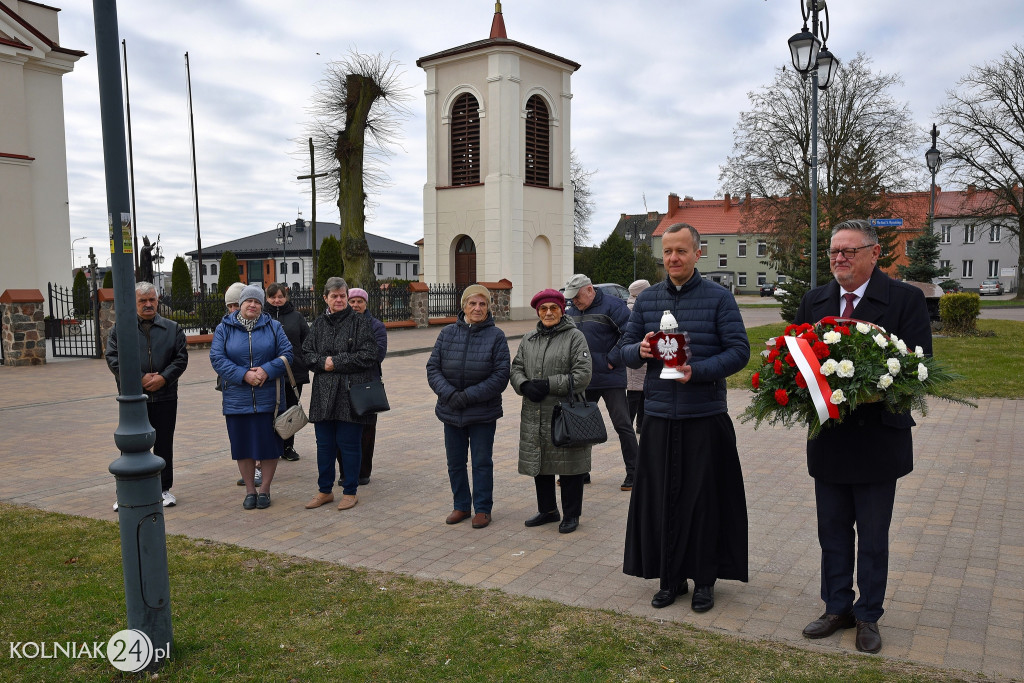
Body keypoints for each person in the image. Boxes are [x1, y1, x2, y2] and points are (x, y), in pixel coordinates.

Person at [794, 219, 932, 655]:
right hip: (830, 439)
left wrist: (870, 387)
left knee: (873, 535)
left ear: (875, 253)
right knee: (832, 531)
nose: (839, 258)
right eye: (835, 251)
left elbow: (919, 368)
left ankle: (869, 614)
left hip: (877, 440)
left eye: (849, 251)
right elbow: (796, 360)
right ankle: (837, 607)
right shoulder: (814, 300)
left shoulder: (904, 300)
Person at [620, 223, 750, 613]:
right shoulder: (647, 301)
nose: (673, 258)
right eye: (668, 252)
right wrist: (639, 351)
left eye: (681, 251)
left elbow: (739, 351)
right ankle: (669, 577)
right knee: (662, 502)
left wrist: (701, 371)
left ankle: (705, 581)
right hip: (659, 414)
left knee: (704, 502)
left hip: (704, 415)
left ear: (697, 253)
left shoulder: (718, 298)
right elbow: (622, 349)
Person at [427, 284, 510, 529]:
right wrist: (450, 394)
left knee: (482, 461)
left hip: (482, 411)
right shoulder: (447, 333)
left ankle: (483, 508)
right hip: (451, 409)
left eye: (482, 304)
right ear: (463, 306)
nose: (477, 308)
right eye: (472, 303)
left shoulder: (496, 336)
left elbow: (500, 375)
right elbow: (433, 368)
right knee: (455, 462)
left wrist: (468, 396)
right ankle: (461, 505)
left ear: (488, 308)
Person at [510, 289, 593, 534]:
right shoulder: (529, 339)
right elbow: (516, 368)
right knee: (541, 460)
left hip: (564, 411)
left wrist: (549, 384)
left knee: (570, 464)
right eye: (543, 309)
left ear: (561, 310)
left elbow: (583, 375)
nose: (548, 313)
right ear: (538, 311)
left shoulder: (575, 337)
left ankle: (571, 514)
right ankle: (547, 510)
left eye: (553, 308)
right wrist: (523, 385)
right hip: (535, 411)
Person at [106, 281, 189, 510]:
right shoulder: (120, 329)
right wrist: (139, 378)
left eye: (152, 299)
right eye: (142, 301)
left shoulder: (172, 328)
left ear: (158, 299)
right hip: (133, 398)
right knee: (131, 443)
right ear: (134, 303)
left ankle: (163, 489)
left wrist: (163, 378)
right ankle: (127, 491)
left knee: (164, 444)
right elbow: (113, 358)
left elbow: (181, 358)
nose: (148, 304)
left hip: (165, 396)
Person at [210, 284, 292, 510]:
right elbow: (217, 358)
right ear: (240, 304)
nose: (253, 305)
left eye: (257, 302)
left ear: (261, 305)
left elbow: (287, 354)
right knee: (243, 447)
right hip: (237, 400)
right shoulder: (224, 328)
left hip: (269, 399)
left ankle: (264, 489)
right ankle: (249, 490)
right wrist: (243, 375)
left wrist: (267, 370)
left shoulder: (274, 326)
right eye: (248, 301)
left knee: (269, 447)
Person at [302, 277, 378, 511]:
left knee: (349, 444)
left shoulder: (360, 323)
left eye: (342, 296)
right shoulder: (319, 324)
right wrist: (320, 362)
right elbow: (306, 353)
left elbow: (368, 355)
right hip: (323, 396)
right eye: (334, 296)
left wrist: (335, 362)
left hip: (349, 394)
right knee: (324, 445)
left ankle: (350, 491)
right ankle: (325, 491)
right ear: (325, 298)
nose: (339, 300)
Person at [563, 274, 637, 491]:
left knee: (622, 424)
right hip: (584, 378)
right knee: (581, 426)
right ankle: (581, 472)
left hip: (610, 376)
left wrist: (612, 360)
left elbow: (629, 333)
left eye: (576, 297)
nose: (574, 301)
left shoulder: (613, 306)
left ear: (589, 290)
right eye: (571, 298)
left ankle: (635, 472)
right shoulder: (573, 310)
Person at [340, 287, 387, 486]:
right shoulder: (340, 324)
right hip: (343, 384)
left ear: (366, 303)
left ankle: (363, 472)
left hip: (367, 384)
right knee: (343, 429)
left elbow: (377, 354)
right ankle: (345, 472)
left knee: (366, 431)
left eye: (360, 301)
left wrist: (347, 359)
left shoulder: (376, 326)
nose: (356, 305)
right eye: (352, 301)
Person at [265, 283, 309, 462]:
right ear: (267, 298)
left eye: (280, 296)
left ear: (286, 297)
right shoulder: (262, 316)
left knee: (290, 410)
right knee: (269, 411)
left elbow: (307, 341)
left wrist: (302, 359)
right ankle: (270, 446)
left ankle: (288, 446)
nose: (277, 300)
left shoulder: (296, 317)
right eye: (272, 297)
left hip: (293, 372)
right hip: (269, 373)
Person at [625, 279, 651, 432]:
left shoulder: (636, 305)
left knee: (642, 395)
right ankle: (628, 426)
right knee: (634, 395)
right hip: (637, 355)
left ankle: (641, 426)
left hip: (642, 356)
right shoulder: (633, 308)